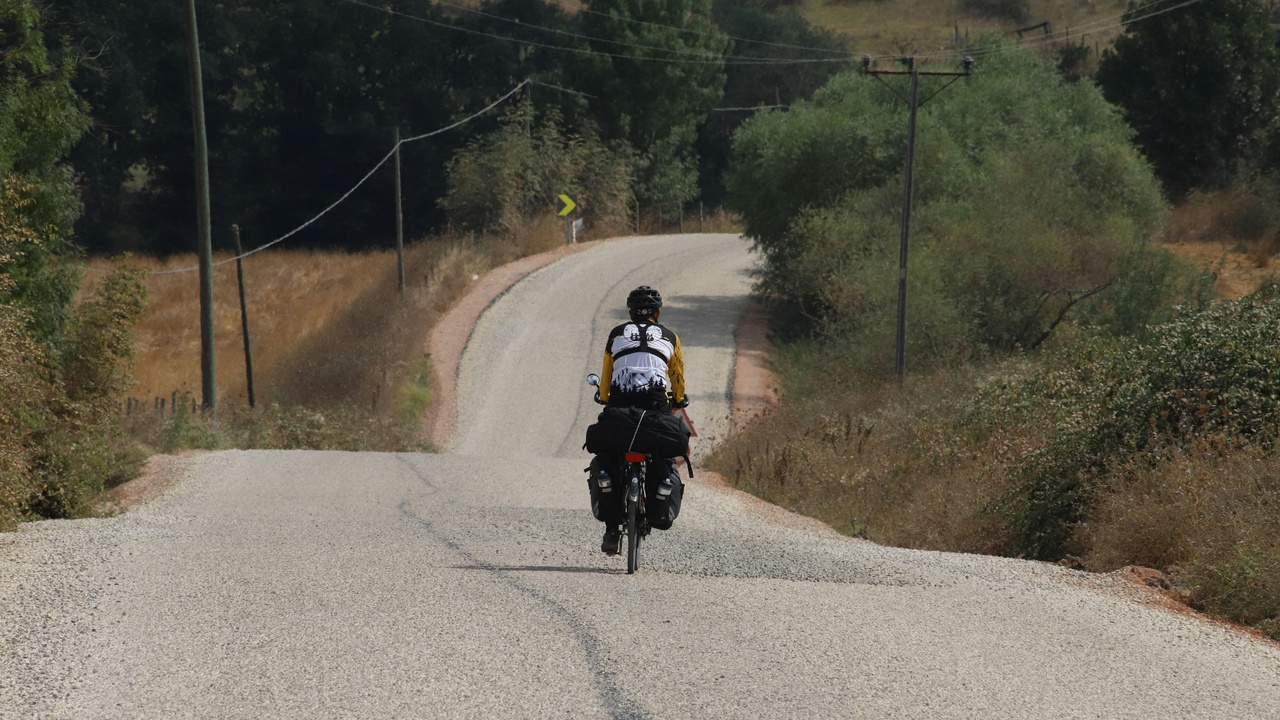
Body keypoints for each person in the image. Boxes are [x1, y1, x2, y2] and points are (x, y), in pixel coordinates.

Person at [588, 285, 689, 555]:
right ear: (658, 313)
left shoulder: (616, 334)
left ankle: (611, 529)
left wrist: (606, 396)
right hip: (656, 406)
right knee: (661, 456)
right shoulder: (670, 336)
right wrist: (679, 399)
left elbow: (607, 374)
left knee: (611, 454)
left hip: (621, 405)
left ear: (631, 313)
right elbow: (676, 374)